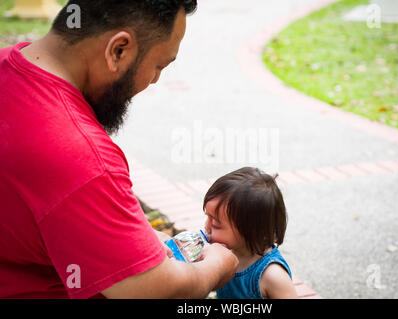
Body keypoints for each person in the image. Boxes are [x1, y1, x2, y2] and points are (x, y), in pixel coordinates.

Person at [0, 0, 238, 299]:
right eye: (159, 65)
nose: (154, 80)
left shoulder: (9, 64)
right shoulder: (80, 156)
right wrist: (215, 266)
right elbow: (157, 291)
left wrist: (131, 240)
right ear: (119, 50)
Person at [203, 167, 299, 299]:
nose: (206, 227)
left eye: (215, 224)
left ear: (249, 230)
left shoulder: (271, 275)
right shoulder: (227, 252)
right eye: (207, 217)